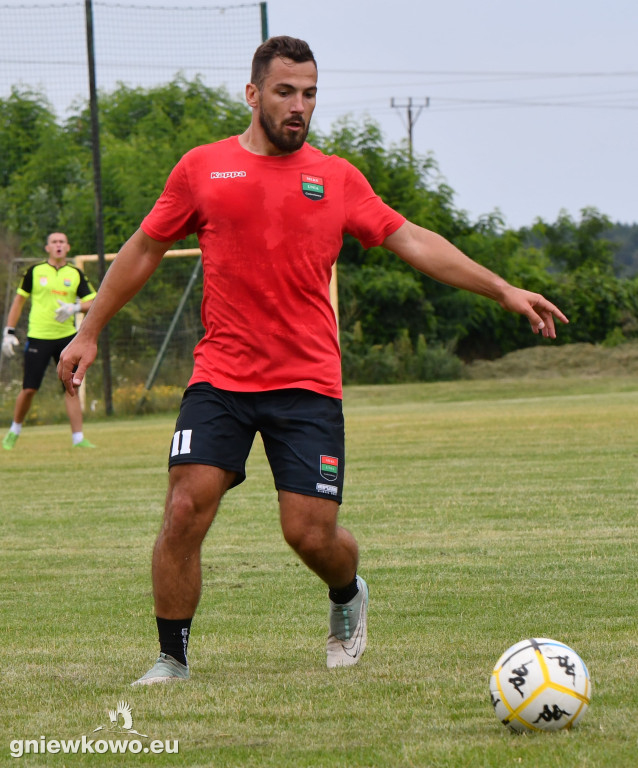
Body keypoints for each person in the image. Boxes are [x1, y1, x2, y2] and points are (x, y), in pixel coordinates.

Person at [57, 36, 568, 685]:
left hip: (308, 383)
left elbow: (411, 239)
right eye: (285, 92)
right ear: (252, 94)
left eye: (309, 94)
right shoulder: (203, 170)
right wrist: (90, 329)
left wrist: (502, 288)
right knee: (185, 506)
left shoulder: (337, 179)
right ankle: (171, 659)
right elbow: (142, 250)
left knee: (309, 533)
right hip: (222, 375)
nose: (299, 106)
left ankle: (348, 593)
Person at [2, 232, 97, 450]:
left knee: (71, 385)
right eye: (54, 242)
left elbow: (93, 302)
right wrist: (8, 332)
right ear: (47, 248)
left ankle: (78, 438)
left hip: (67, 338)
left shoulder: (75, 274)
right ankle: (14, 431)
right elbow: (18, 302)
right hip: (39, 337)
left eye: (62, 242)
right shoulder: (35, 272)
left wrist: (74, 307)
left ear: (68, 247)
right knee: (29, 388)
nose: (58, 245)